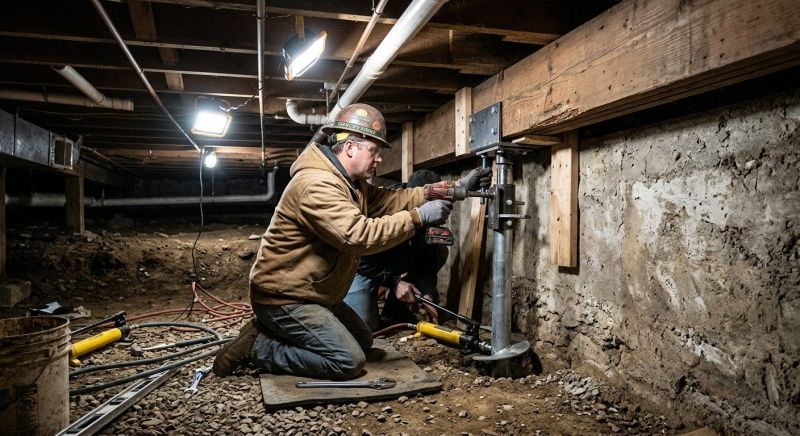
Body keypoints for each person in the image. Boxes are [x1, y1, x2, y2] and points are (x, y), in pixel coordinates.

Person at [212, 103, 491, 380]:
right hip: (285, 297)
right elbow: (357, 236)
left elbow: (393, 199)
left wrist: (452, 190)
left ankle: (278, 332)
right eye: (374, 150)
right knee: (348, 361)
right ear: (349, 148)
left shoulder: (351, 184)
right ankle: (259, 346)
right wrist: (418, 218)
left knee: (363, 340)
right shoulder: (317, 185)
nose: (379, 158)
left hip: (317, 294)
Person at [344, 169, 447, 331]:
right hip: (362, 266)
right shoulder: (384, 207)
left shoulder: (433, 212)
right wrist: (395, 282)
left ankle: (394, 309)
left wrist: (427, 294)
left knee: (439, 249)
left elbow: (428, 262)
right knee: (364, 325)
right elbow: (359, 254)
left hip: (393, 260)